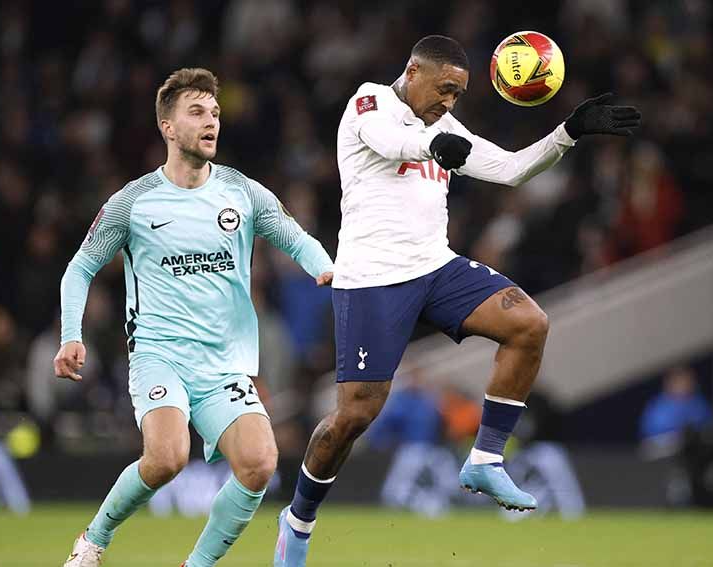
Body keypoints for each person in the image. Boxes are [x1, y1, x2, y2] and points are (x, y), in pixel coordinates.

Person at [274, 35, 640, 566]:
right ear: (413, 70)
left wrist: (569, 132)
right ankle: (298, 522)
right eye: (445, 89)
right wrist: (432, 146)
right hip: (373, 277)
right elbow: (391, 141)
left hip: (435, 268)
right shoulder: (369, 101)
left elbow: (511, 169)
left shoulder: (443, 124)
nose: (450, 102)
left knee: (529, 324)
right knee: (354, 416)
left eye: (459, 95)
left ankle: (487, 458)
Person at [55, 68, 333, 567]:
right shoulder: (132, 203)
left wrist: (327, 269)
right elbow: (80, 268)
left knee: (259, 463)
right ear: (167, 126)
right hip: (160, 357)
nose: (212, 123)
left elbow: (293, 235)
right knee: (166, 457)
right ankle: (93, 541)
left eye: (216, 114)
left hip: (223, 365)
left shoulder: (241, 192)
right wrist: (70, 335)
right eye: (197, 112)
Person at [639, 366, 713, 440]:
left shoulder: (697, 400)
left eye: (689, 380)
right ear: (669, 383)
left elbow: (710, 425)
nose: (687, 384)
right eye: (680, 380)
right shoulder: (657, 412)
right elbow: (651, 443)